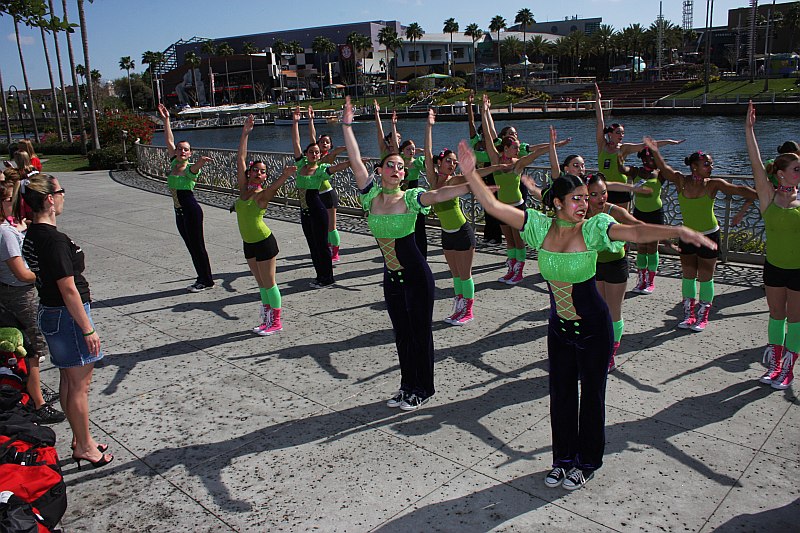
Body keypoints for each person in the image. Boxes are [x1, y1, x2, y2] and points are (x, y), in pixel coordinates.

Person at [458, 139, 714, 490]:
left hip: (594, 327)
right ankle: (562, 460)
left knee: (592, 396)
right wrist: (470, 172)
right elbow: (491, 204)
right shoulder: (538, 226)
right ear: (558, 202)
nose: (585, 204)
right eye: (577, 199)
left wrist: (678, 231)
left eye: (586, 198)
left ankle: (587, 462)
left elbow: (635, 231)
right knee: (561, 394)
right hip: (559, 328)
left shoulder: (594, 228)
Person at [341, 97, 473, 410]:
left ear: (404, 174)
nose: (396, 169)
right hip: (392, 277)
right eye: (390, 165)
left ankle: (423, 389)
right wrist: (346, 126)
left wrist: (474, 184)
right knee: (401, 334)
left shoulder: (411, 197)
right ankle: (406, 386)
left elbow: (441, 193)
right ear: (380, 170)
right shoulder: (370, 196)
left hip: (416, 276)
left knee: (419, 333)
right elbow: (355, 159)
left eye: (400, 167)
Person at [15, 173, 112, 469]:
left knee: (69, 381)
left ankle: (80, 438)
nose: (63, 197)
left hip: (52, 312)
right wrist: (88, 328)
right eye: (60, 192)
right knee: (79, 385)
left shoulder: (33, 234)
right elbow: (68, 288)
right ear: (49, 199)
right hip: (67, 315)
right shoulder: (53, 239)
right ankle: (85, 446)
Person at [644, 137, 757, 332]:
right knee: (688, 276)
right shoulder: (680, 180)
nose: (711, 167)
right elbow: (663, 167)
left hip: (709, 236)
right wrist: (654, 149)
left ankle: (703, 316)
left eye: (711, 164)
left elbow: (739, 190)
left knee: (706, 277)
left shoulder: (713, 184)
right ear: (694, 167)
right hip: (687, 236)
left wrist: (765, 193)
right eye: (707, 164)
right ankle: (689, 315)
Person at [744, 102, 800, 390]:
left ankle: (788, 368)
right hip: (775, 267)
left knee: (796, 319)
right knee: (777, 316)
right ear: (781, 174)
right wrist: (749, 129)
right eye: (796, 169)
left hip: (798, 270)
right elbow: (756, 163)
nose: (799, 172)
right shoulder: (768, 196)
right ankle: (775, 363)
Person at [0, 181, 64, 423]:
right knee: (33, 348)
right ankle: (38, 402)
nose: (16, 204)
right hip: (19, 294)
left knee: (30, 346)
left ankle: (32, 390)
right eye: (10, 200)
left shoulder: (10, 228)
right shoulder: (6, 233)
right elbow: (21, 273)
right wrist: (45, 271)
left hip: (16, 292)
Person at [481, 94, 550, 285]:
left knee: (519, 240)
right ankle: (512, 268)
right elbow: (488, 136)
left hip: (517, 207)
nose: (517, 151)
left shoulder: (517, 163)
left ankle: (519, 271)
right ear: (505, 148)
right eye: (515, 148)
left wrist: (553, 145)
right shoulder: (496, 160)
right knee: (509, 240)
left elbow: (535, 154)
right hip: (502, 206)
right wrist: (484, 111)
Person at [235, 115, 294, 335]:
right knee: (260, 284)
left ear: (265, 176)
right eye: (255, 170)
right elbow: (240, 158)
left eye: (262, 172)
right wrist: (245, 133)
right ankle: (266, 318)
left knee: (269, 283)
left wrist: (285, 176)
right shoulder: (243, 190)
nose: (258, 173)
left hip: (264, 242)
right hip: (248, 243)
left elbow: (274, 188)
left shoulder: (261, 195)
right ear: (249, 172)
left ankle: (276, 322)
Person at [424, 109, 476, 325]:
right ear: (440, 162)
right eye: (449, 161)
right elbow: (427, 151)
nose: (452, 165)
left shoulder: (453, 181)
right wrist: (429, 126)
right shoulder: (433, 180)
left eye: (455, 162)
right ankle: (459, 306)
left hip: (463, 232)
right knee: (455, 275)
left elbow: (471, 177)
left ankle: (468, 310)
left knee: (465, 274)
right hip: (447, 233)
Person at [595, 84, 683, 208]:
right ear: (610, 134)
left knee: (622, 217)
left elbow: (645, 145)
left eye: (623, 133)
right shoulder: (602, 145)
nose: (621, 135)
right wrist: (598, 99)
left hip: (621, 188)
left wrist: (668, 142)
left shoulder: (623, 148)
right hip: (604, 188)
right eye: (618, 132)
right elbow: (600, 121)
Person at [291, 107, 351, 288]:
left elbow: (336, 168)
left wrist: (352, 162)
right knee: (312, 245)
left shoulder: (320, 169)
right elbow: (296, 141)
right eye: (312, 151)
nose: (315, 154)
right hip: (304, 211)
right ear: (306, 153)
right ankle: (319, 276)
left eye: (317, 152)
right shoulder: (301, 164)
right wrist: (295, 122)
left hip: (318, 209)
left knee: (322, 245)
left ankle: (328, 277)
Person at [157, 103, 214, 292]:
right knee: (191, 246)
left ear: (190, 153)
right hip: (179, 211)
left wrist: (201, 162)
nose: (182, 151)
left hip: (191, 211)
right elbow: (169, 140)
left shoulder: (190, 168)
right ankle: (202, 277)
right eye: (180, 149)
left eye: (186, 150)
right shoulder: (174, 163)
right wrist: (166, 120)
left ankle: (206, 280)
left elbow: (196, 168)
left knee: (198, 246)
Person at [620, 148, 664, 294]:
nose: (647, 161)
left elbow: (675, 175)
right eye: (644, 158)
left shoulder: (660, 173)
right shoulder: (636, 171)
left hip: (655, 215)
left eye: (650, 158)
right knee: (641, 247)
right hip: (639, 214)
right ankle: (641, 280)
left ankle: (651, 281)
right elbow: (621, 169)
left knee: (652, 247)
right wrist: (621, 153)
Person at [308, 107, 346, 262]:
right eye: (322, 141)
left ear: (330, 145)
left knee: (331, 226)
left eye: (327, 142)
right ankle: (326, 248)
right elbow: (312, 137)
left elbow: (337, 151)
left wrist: (349, 147)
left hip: (328, 195)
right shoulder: (313, 156)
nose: (324, 143)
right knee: (321, 226)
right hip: (316, 196)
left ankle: (335, 252)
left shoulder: (328, 157)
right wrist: (311, 119)